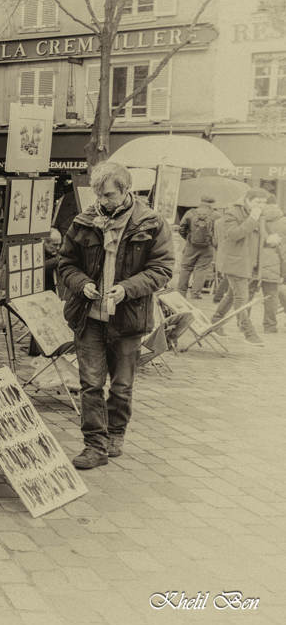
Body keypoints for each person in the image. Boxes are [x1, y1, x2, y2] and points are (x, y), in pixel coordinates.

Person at [56, 162, 173, 470]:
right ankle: (94, 445)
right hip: (89, 316)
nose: (102, 202)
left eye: (108, 195)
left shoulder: (151, 223)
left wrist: (127, 289)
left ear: (126, 191)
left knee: (121, 386)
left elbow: (162, 270)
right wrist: (82, 284)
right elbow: (66, 264)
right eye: (98, 195)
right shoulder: (84, 222)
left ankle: (115, 435)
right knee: (91, 383)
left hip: (128, 317)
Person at [211, 187, 271, 346]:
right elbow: (234, 235)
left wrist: (269, 239)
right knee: (242, 298)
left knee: (232, 295)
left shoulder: (259, 215)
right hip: (234, 262)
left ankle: (215, 322)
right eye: (258, 202)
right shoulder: (232, 213)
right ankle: (248, 332)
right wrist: (252, 219)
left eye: (264, 202)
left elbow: (258, 238)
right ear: (247, 200)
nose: (261, 205)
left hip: (248, 263)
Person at [177, 195, 217, 299]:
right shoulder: (216, 215)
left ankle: (181, 293)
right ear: (212, 204)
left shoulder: (190, 213)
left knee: (186, 268)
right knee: (201, 269)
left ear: (200, 202)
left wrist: (188, 238)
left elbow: (181, 228)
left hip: (191, 245)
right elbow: (218, 232)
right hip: (207, 247)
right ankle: (195, 294)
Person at [257, 204, 285, 334]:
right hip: (275, 262)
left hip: (256, 261)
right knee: (272, 296)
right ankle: (270, 326)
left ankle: (244, 324)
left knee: (248, 293)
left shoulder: (258, 221)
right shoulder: (283, 223)